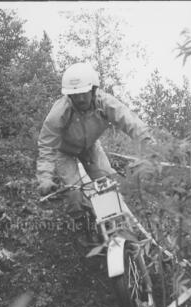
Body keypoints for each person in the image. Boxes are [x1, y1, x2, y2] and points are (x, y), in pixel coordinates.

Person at [36, 62, 153, 242]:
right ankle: (85, 228)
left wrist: (149, 144)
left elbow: (129, 121)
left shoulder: (105, 103)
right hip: (64, 152)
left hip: (90, 147)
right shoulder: (60, 112)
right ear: (69, 95)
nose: (81, 99)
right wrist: (45, 177)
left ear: (93, 89)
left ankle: (117, 226)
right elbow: (47, 146)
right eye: (75, 95)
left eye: (84, 93)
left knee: (107, 183)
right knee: (75, 195)